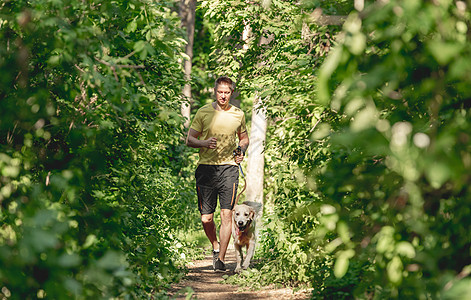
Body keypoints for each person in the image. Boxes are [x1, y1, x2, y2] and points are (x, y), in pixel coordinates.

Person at [185, 76, 249, 272]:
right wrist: (203, 143)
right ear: (215, 91)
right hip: (206, 168)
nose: (223, 96)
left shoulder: (238, 114)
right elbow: (189, 139)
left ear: (231, 93)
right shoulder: (203, 112)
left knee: (227, 214)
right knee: (207, 218)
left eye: (227, 92)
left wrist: (241, 150)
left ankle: (220, 259)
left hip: (229, 168)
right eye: (220, 92)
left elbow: (244, 138)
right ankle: (214, 245)